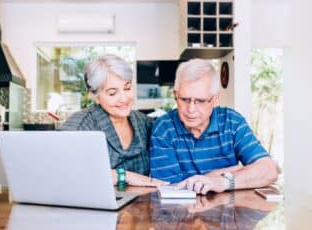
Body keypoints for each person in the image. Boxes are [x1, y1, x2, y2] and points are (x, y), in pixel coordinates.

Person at [150, 59, 278, 194]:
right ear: (175, 94)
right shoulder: (163, 129)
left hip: (230, 213)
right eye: (185, 99)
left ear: (216, 99)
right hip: (183, 213)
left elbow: (269, 170)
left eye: (200, 101)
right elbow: (173, 189)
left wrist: (222, 182)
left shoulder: (232, 122)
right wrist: (235, 170)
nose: (191, 109)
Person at [60, 54, 166, 187]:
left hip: (139, 205)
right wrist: (124, 176)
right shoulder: (79, 126)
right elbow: (63, 174)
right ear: (96, 96)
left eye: (127, 88)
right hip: (94, 206)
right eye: (112, 93)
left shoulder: (144, 123)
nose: (124, 98)